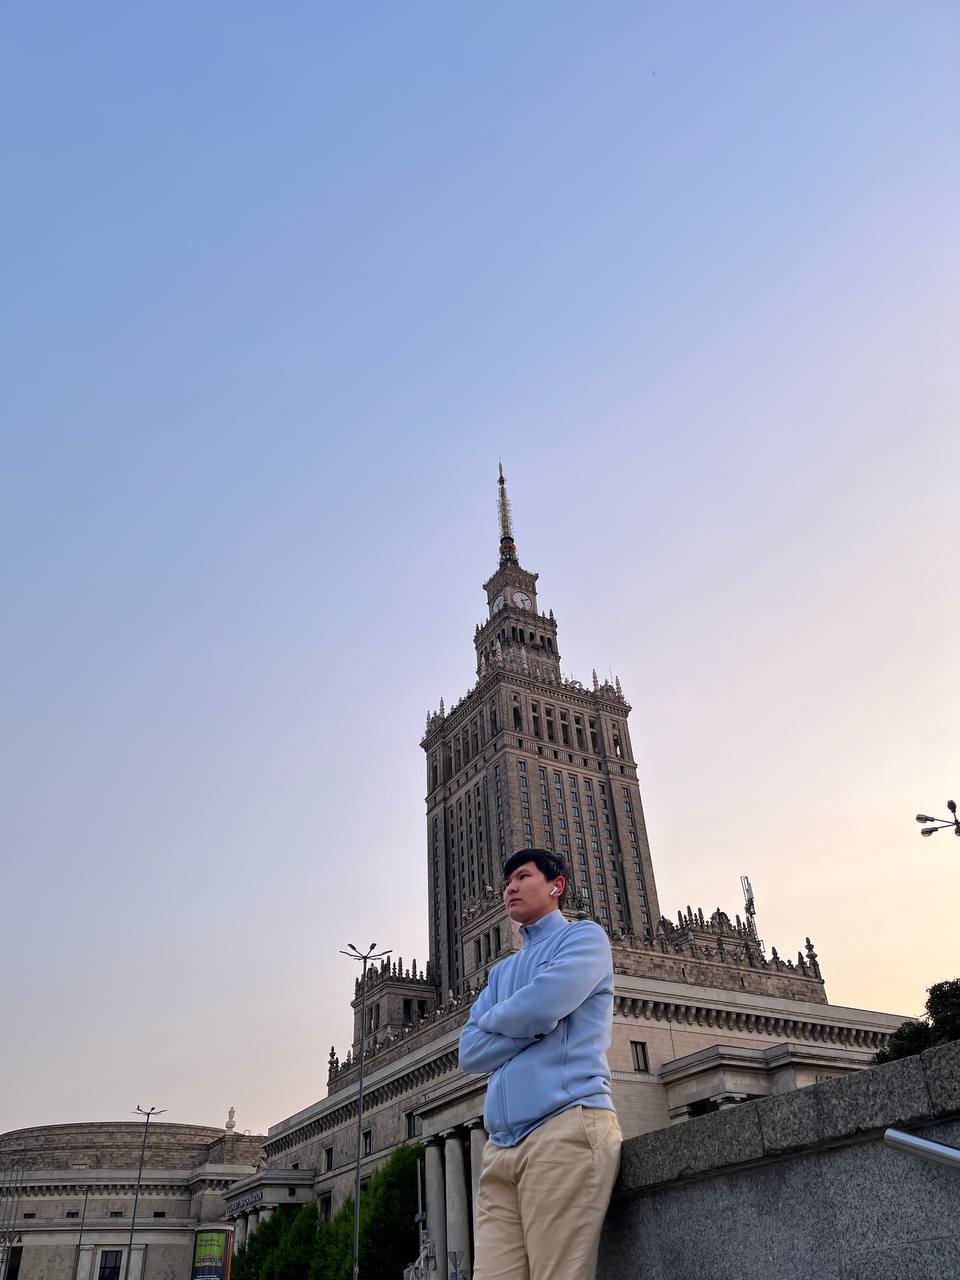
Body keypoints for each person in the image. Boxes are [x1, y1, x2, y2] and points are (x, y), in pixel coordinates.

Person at [459, 848, 622, 1280]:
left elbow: (542, 1005)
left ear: (556, 886)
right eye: (507, 882)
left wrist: (502, 1020)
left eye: (523, 876)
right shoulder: (501, 973)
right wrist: (531, 1026)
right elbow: (469, 1051)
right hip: (501, 1150)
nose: (510, 888)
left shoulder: (583, 938)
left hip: (563, 1130)